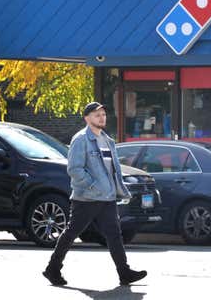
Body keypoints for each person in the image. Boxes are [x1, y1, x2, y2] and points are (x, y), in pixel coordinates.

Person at [42, 102, 147, 286]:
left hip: (107, 197)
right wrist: (92, 186)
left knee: (114, 235)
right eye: (97, 114)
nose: (102, 117)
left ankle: (124, 273)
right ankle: (53, 269)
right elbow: (74, 169)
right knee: (71, 233)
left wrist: (116, 189)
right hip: (87, 198)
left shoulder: (107, 140)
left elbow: (112, 170)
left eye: (103, 114)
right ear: (87, 118)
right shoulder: (81, 139)